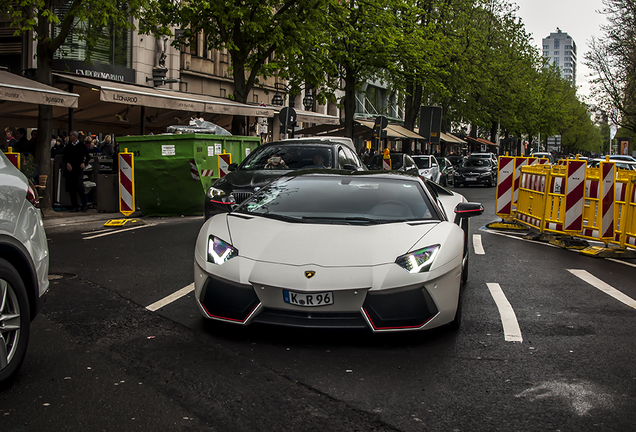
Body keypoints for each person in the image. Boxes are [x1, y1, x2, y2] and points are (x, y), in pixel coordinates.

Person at [62, 130, 90, 212]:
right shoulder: (68, 146)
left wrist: (84, 163)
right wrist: (67, 163)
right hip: (70, 170)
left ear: (75, 136)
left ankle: (84, 204)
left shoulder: (81, 145)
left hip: (78, 169)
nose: (69, 137)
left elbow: (87, 156)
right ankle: (75, 205)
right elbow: (64, 157)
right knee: (71, 188)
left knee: (79, 187)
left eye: (70, 135)